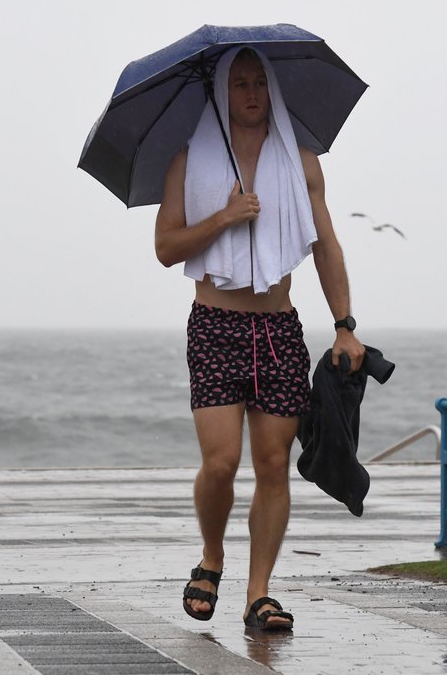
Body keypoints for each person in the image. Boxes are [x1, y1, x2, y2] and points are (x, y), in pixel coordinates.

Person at [154, 46, 365, 631]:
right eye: (239, 83)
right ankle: (212, 558)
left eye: (259, 83)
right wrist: (223, 217)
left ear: (272, 89)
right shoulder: (188, 160)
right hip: (216, 325)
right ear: (222, 92)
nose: (251, 93)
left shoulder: (300, 163)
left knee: (273, 465)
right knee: (220, 464)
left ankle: (259, 593)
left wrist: (345, 325)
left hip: (277, 329)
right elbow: (166, 248)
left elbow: (325, 246)